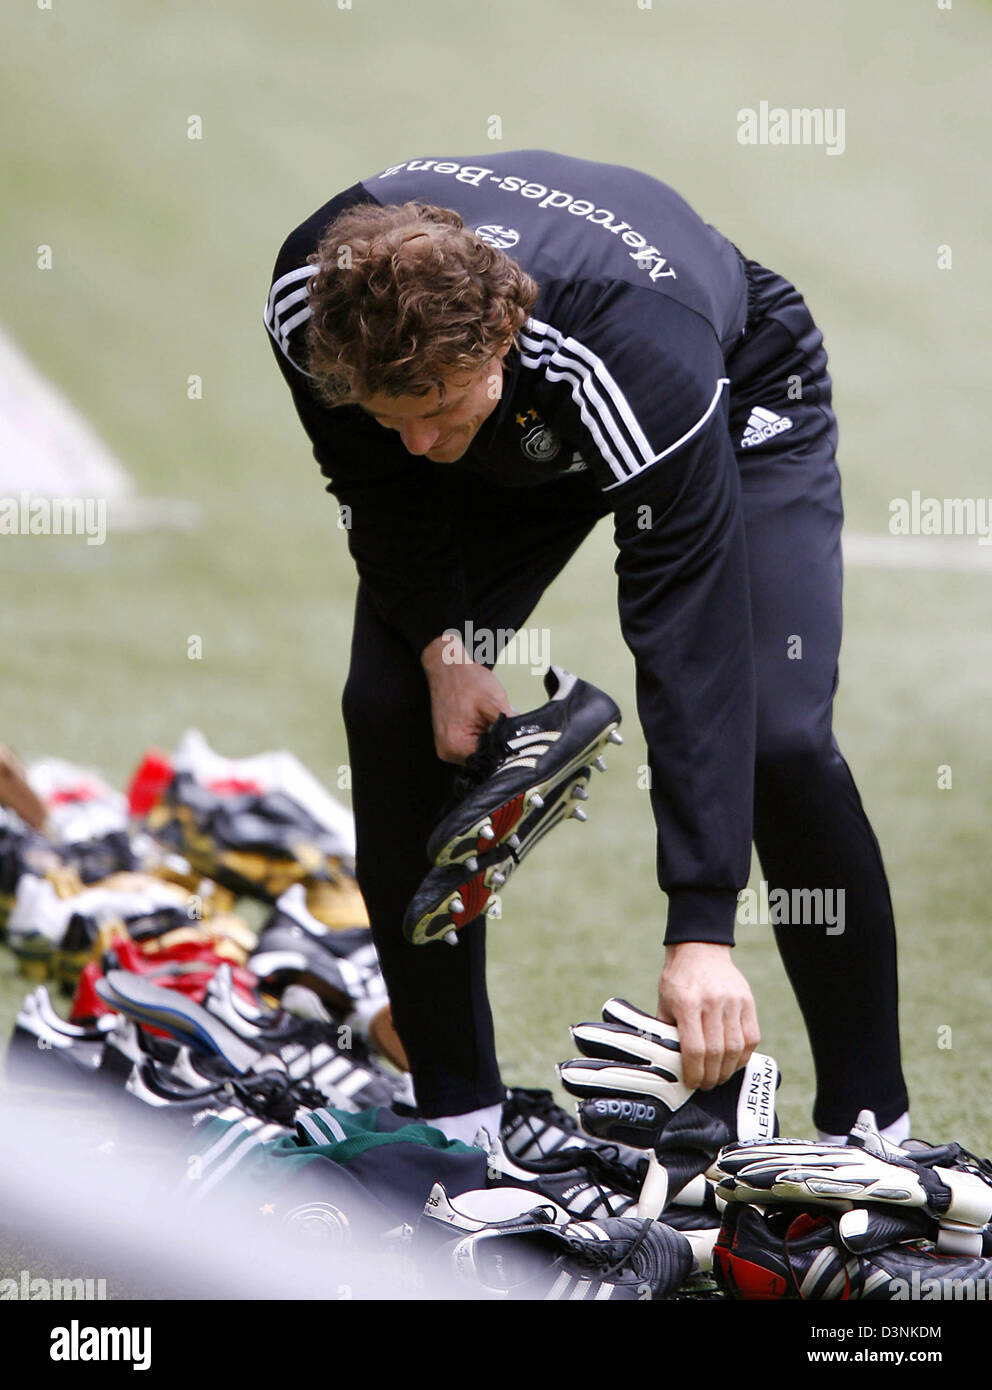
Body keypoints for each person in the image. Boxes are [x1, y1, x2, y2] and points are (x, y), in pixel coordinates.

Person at [264, 149, 909, 1146]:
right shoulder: (317, 306)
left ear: (504, 329)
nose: (419, 442)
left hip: (728, 394)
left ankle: (875, 1131)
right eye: (395, 414)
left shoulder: (632, 352)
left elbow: (686, 642)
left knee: (774, 741)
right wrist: (443, 645)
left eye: (433, 406)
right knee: (389, 704)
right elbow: (380, 484)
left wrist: (699, 929)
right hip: (517, 432)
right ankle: (458, 1118)